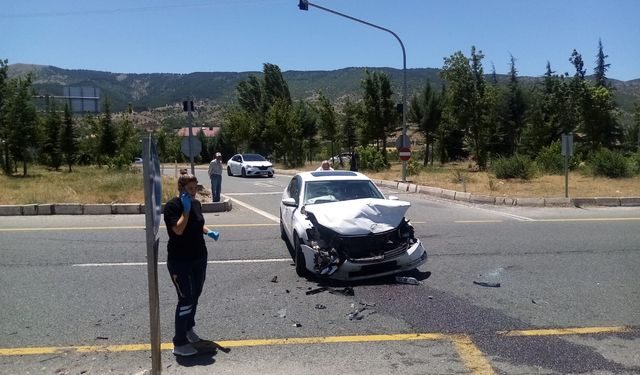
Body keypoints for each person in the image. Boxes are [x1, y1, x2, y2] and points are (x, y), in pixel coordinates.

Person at [163, 173, 220, 357]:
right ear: (181, 189)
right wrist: (185, 212)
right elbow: (178, 230)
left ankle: (188, 328)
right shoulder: (173, 206)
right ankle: (179, 343)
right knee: (186, 298)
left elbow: (197, 224)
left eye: (195, 188)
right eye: (190, 189)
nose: (194, 192)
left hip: (199, 257)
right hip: (180, 260)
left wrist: (209, 231)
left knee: (195, 294)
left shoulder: (195, 204)